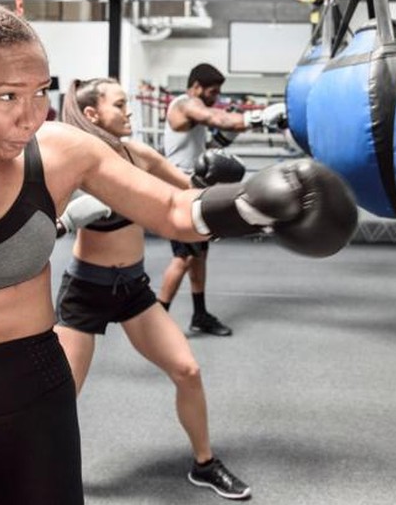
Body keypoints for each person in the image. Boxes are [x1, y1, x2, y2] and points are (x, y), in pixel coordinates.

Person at [0, 2, 354, 504]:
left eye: (40, 92)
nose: (29, 116)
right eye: (6, 96)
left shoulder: (63, 151)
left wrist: (253, 206)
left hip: (26, 399)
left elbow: (170, 208)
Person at [54, 77, 251, 500]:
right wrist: (75, 213)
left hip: (133, 289)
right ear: (93, 115)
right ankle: (40, 476)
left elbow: (187, 191)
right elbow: (65, 208)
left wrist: (239, 203)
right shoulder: (76, 161)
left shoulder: (137, 155)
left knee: (188, 370)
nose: (129, 112)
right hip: (86, 289)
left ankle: (204, 463)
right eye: (120, 105)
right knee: (60, 395)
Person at [159, 62, 288, 336]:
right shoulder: (184, 104)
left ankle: (200, 314)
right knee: (183, 258)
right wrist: (258, 118)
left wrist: (227, 136)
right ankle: (157, 322)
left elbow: (207, 149)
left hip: (194, 189)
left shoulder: (194, 115)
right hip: (177, 192)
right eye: (212, 92)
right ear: (195, 87)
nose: (215, 97)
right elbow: (216, 117)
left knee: (199, 255)